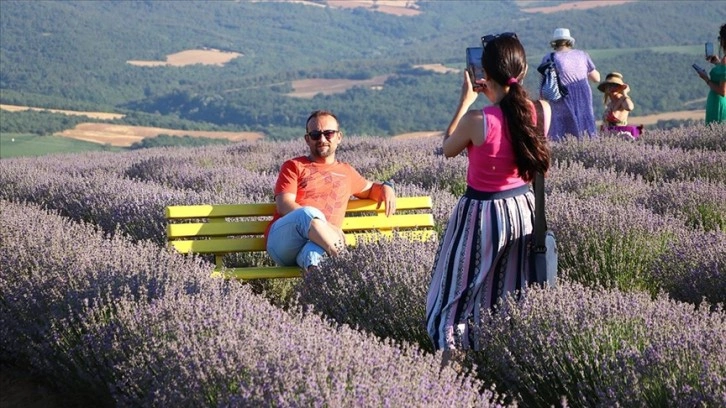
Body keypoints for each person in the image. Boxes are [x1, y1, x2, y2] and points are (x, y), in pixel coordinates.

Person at [425, 33, 552, 369]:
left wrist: (466, 101)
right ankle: (505, 365)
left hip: (481, 215)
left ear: (484, 73)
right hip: (523, 212)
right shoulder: (541, 111)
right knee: (511, 290)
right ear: (522, 71)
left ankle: (454, 370)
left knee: (456, 294)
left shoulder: (477, 120)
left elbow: (447, 148)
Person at [265, 110, 396, 274]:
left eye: (328, 133)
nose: (322, 139)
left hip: (320, 242)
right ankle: (348, 265)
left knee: (314, 257)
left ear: (339, 137)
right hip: (284, 242)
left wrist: (387, 186)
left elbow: (370, 190)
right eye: (315, 134)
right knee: (308, 213)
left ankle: (317, 295)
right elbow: (284, 205)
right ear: (307, 139)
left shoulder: (346, 172)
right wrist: (325, 225)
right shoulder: (294, 166)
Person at [540, 27, 600, 140]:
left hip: (560, 97)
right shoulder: (582, 55)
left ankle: (562, 154)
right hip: (583, 96)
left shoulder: (549, 58)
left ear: (555, 42)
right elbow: (596, 78)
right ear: (569, 41)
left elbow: (543, 83)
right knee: (585, 127)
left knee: (561, 130)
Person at [597, 72, 642, 139]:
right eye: (609, 85)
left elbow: (630, 107)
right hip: (608, 136)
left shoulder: (623, 100)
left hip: (620, 135)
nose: (612, 88)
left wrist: (625, 93)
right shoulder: (610, 104)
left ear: (620, 87)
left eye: (615, 85)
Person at [696, 24, 726, 124]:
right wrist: (718, 63)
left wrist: (706, 79)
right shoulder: (723, 61)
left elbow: (722, 91)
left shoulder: (725, 60)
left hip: (717, 103)